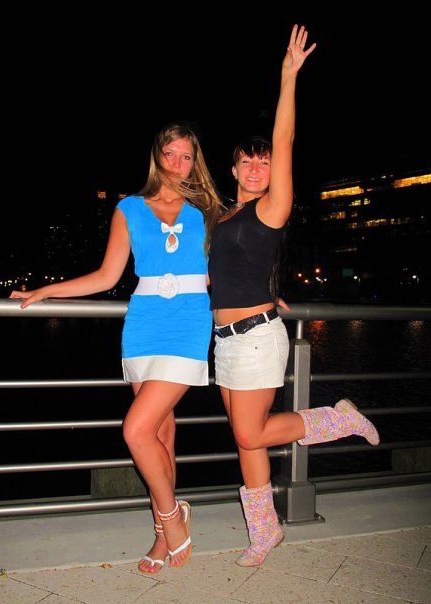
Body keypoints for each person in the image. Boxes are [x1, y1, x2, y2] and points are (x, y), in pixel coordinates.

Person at [9, 122, 223, 574]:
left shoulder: (206, 210)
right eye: (171, 153)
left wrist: (266, 292)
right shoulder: (129, 209)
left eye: (187, 156)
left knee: (136, 430)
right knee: (160, 434)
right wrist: (47, 290)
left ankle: (172, 517)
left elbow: (230, 265)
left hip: (188, 325)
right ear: (157, 156)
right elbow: (107, 276)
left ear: (194, 163)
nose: (178, 163)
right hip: (144, 327)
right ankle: (162, 536)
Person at [207, 24, 380, 568]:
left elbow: (283, 140)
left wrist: (288, 76)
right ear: (233, 168)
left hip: (256, 340)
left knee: (249, 430)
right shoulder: (222, 217)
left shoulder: (271, 209)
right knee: (247, 442)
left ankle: (338, 418)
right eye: (248, 160)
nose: (258, 167)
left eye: (264, 162)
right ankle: (265, 532)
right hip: (224, 340)